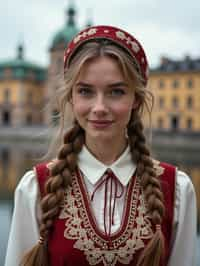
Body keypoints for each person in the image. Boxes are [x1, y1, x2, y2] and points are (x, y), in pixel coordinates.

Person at [5, 25, 197, 266]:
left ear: (136, 99)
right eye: (85, 91)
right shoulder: (34, 189)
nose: (99, 107)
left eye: (116, 91)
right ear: (71, 97)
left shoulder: (178, 190)